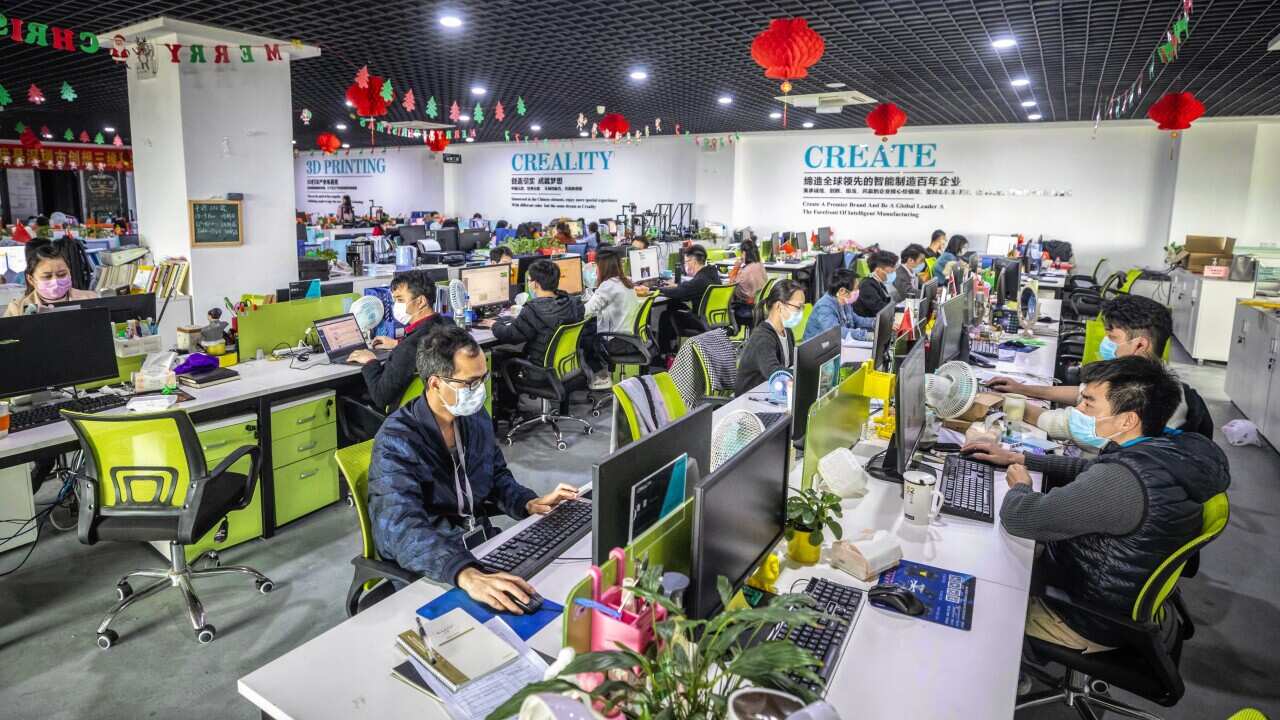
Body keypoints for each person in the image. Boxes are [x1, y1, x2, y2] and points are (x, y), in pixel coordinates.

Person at [962, 357, 1230, 651]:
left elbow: (1021, 517)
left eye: (1089, 403)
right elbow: (1091, 471)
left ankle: (1014, 673)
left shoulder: (1122, 482)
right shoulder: (1162, 448)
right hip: (1108, 589)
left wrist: (1022, 485)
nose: (1078, 409)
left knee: (975, 591)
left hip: (1084, 615)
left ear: (1128, 419)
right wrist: (1019, 458)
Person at [368, 326, 580, 612]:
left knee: (549, 592)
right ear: (434, 384)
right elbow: (399, 528)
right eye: (469, 383)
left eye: (481, 380)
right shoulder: (397, 440)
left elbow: (496, 476)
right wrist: (465, 574)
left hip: (477, 546)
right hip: (433, 564)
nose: (479, 391)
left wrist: (527, 502)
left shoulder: (473, 417)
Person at [987, 294, 1213, 439]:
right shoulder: (1149, 374)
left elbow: (1063, 424)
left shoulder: (1142, 395)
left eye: (1112, 337)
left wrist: (1001, 403)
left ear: (1140, 344)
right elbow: (1082, 393)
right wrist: (1023, 389)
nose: (1104, 343)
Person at [485, 260, 585, 413]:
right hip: (566, 368)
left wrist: (493, 325)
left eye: (530, 281)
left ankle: (510, 412)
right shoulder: (573, 303)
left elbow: (510, 335)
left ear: (536, 284)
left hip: (539, 373)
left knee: (499, 357)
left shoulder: (533, 310)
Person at [348, 270, 449, 412]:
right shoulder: (448, 326)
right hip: (438, 408)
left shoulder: (408, 348)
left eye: (400, 300)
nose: (396, 306)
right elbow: (421, 342)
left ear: (420, 301)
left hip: (402, 419)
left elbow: (381, 397)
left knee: (345, 397)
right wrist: (396, 343)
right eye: (394, 300)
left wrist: (370, 362)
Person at [640, 244, 721, 353]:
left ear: (693, 262)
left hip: (701, 320)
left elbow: (680, 293)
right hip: (713, 318)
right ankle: (672, 349)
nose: (685, 265)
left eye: (686, 262)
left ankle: (663, 355)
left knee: (666, 315)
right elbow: (688, 288)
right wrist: (679, 286)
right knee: (674, 305)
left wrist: (653, 289)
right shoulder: (712, 273)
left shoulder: (700, 280)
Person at [582, 247, 641, 389]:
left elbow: (586, 311)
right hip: (630, 338)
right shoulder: (626, 281)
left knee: (583, 336)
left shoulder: (607, 286)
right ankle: (601, 373)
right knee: (590, 327)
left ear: (602, 267)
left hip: (617, 342)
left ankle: (601, 376)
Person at [735, 281, 806, 396]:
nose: (801, 312)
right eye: (799, 307)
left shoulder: (787, 331)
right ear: (779, 306)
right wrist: (805, 373)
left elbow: (789, 367)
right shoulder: (762, 338)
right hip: (750, 399)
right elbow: (775, 372)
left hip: (771, 391)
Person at [5, 240, 98, 317]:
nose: (55, 280)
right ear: (31, 279)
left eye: (62, 274)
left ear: (69, 272)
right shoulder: (17, 309)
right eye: (47, 276)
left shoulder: (91, 299)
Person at [804, 268, 874, 342]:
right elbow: (837, 332)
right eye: (855, 289)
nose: (858, 291)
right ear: (842, 291)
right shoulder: (824, 307)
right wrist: (866, 336)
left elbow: (856, 320)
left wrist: (874, 322)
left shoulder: (844, 301)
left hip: (837, 343)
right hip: (818, 348)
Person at [730, 239, 767, 330]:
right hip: (760, 308)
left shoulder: (745, 271)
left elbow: (730, 285)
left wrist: (736, 267)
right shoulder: (760, 266)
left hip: (746, 309)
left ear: (744, 253)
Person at [851, 250, 899, 318]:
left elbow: (887, 304)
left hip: (879, 320)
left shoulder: (878, 283)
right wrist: (900, 310)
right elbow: (881, 309)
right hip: (868, 324)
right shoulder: (867, 286)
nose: (894, 270)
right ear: (878, 270)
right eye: (892, 268)